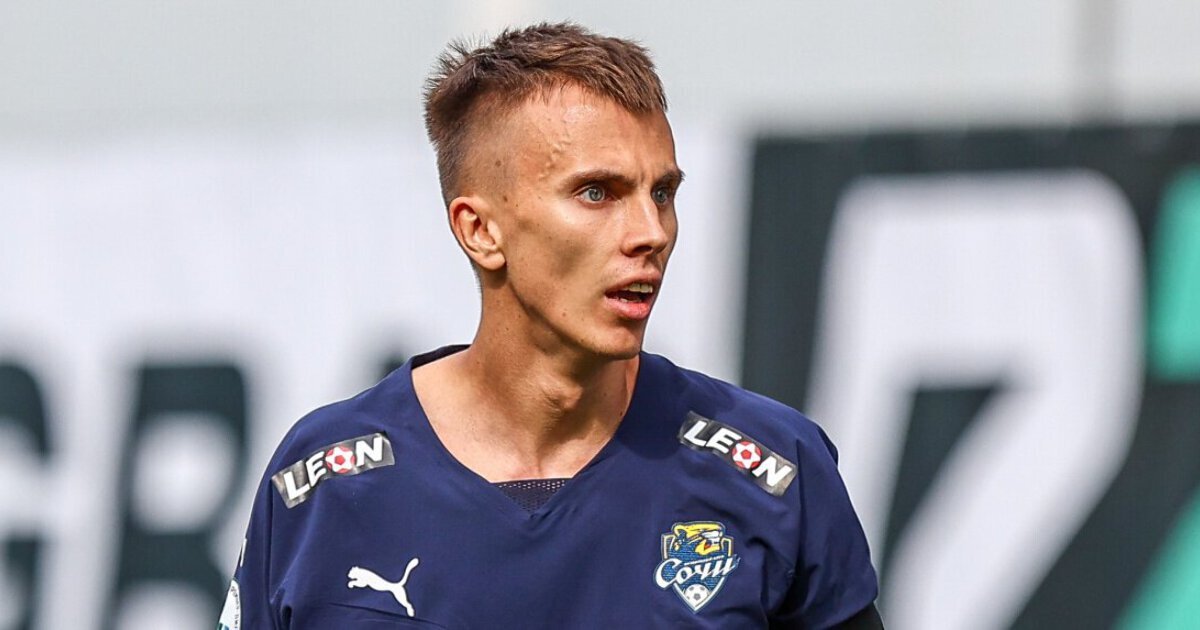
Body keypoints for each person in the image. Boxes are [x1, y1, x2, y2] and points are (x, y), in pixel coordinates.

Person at [219, 22, 881, 629]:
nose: (650, 232)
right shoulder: (322, 485)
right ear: (480, 231)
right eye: (597, 192)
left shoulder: (774, 471)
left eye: (662, 193)